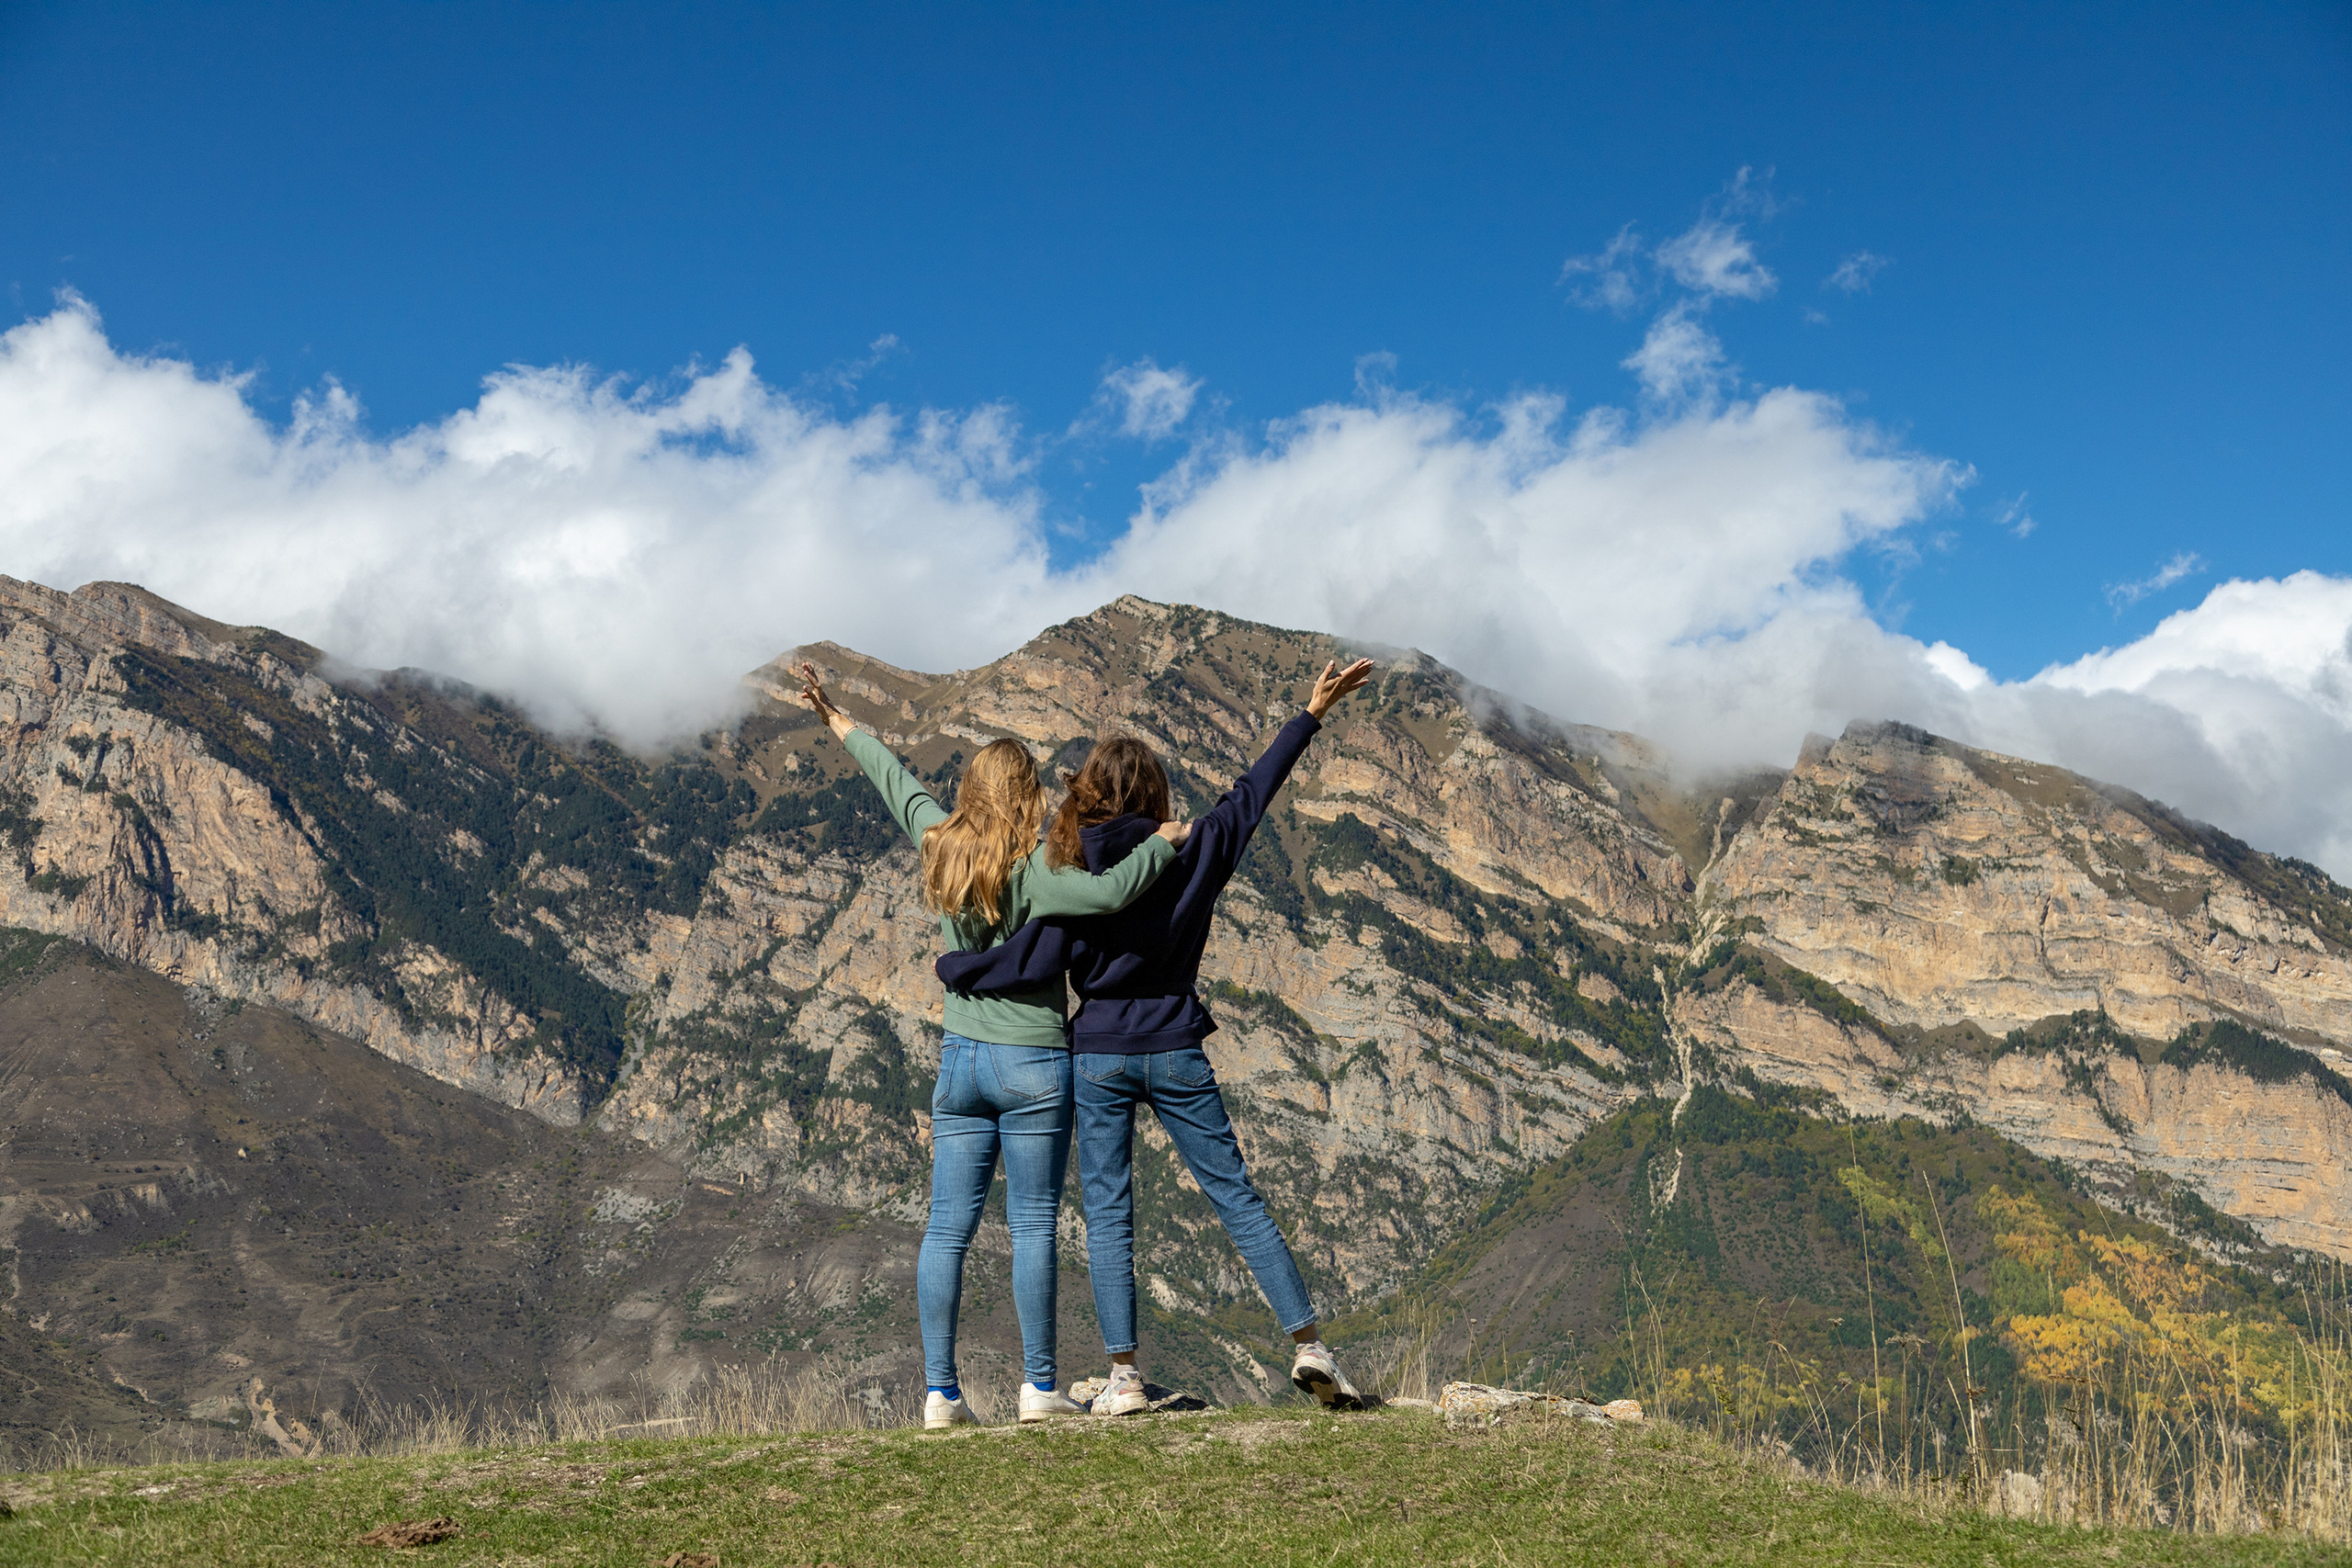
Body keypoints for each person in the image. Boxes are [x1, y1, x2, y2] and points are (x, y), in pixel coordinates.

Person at [937, 657, 1377, 1414]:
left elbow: (1030, 957)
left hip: (1097, 1054)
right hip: (1175, 1043)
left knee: (1110, 1214)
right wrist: (1309, 714)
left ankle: (1124, 1376)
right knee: (1235, 1195)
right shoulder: (1194, 846)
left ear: (1090, 792)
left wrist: (961, 967)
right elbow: (1253, 793)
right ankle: (1308, 1342)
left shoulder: (1066, 861)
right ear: (1156, 797)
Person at [796, 662, 1192, 1430]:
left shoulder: (939, 844)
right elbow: (1111, 893)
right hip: (1033, 1063)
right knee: (1034, 1224)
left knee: (947, 1228)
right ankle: (1038, 1387)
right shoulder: (1034, 867)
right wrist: (1164, 843)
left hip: (960, 1062)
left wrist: (837, 720)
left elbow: (894, 780)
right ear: (1024, 794)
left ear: (973, 790)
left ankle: (939, 1394)